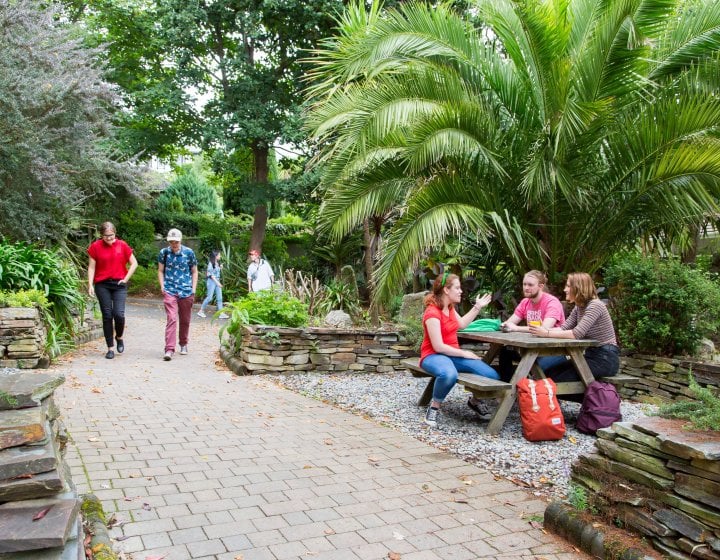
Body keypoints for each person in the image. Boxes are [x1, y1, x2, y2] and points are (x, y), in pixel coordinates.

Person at [420, 272, 499, 427]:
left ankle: (475, 402)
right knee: (449, 374)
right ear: (446, 290)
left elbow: (462, 324)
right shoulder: (432, 313)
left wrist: (477, 307)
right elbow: (438, 346)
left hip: (452, 354)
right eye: (457, 287)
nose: (461, 291)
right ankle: (434, 407)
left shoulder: (449, 307)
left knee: (491, 375)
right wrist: (464, 353)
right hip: (433, 355)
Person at [529, 272, 619, 383]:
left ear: (578, 288)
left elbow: (576, 334)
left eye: (568, 286)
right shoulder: (579, 306)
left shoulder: (595, 305)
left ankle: (592, 399)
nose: (565, 290)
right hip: (590, 355)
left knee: (556, 379)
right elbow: (564, 328)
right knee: (549, 373)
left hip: (605, 358)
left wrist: (546, 333)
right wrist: (542, 330)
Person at [498, 270, 566, 381]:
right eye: (524, 284)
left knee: (532, 363)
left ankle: (526, 393)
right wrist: (504, 325)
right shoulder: (525, 302)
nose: (526, 287)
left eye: (530, 285)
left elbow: (544, 328)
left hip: (553, 350)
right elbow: (510, 323)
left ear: (541, 286)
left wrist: (516, 328)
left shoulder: (552, 302)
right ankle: (507, 390)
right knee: (505, 351)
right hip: (532, 348)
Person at [87, 222, 138, 360]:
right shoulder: (95, 247)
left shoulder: (122, 245)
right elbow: (91, 267)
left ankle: (119, 337)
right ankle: (110, 348)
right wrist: (90, 284)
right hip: (102, 284)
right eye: (106, 236)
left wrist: (126, 279)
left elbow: (134, 263)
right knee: (107, 315)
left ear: (115, 233)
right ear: (101, 235)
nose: (109, 238)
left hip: (119, 284)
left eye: (111, 235)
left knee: (119, 314)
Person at [158, 228, 198, 361]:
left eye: (176, 241)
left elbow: (194, 271)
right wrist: (162, 286)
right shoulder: (164, 253)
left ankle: (183, 343)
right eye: (171, 241)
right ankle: (169, 349)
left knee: (185, 320)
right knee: (172, 318)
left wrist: (193, 289)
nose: (173, 244)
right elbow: (160, 270)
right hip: (170, 289)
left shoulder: (189, 253)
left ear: (180, 240)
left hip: (186, 290)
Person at [197, 250, 228, 319]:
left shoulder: (217, 263)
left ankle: (221, 313)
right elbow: (210, 275)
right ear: (215, 256)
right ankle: (201, 311)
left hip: (217, 281)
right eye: (219, 255)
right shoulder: (210, 264)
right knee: (209, 297)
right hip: (212, 282)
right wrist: (218, 283)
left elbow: (216, 272)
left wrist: (220, 268)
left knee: (219, 298)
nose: (220, 256)